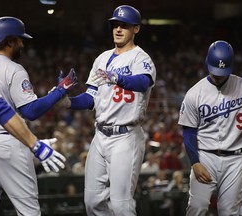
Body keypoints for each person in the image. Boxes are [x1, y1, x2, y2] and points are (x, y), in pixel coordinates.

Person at [59, 5, 156, 215]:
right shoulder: (102, 59)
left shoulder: (141, 58)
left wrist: (118, 78)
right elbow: (90, 98)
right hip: (100, 135)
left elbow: (143, 82)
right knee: (92, 202)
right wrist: (67, 101)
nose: (118, 29)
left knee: (121, 204)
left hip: (126, 136)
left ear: (136, 29)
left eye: (124, 25)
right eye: (115, 25)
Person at [0, 16, 77, 215]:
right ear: (10, 41)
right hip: (6, 144)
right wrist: (60, 91)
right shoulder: (14, 69)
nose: (22, 43)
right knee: (29, 212)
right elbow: (29, 111)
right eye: (20, 39)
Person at [178, 40, 242, 215]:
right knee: (196, 207)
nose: (219, 75)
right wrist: (195, 162)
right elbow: (188, 132)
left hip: (236, 157)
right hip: (206, 156)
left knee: (228, 211)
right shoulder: (195, 93)